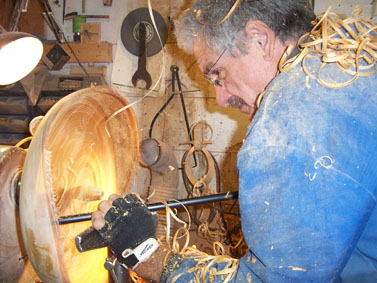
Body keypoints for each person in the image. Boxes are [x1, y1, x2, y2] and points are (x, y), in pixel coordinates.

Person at [92, 0, 377, 282]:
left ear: (259, 39)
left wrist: (150, 257)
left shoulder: (287, 126)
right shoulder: (350, 60)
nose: (221, 99)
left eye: (217, 75)